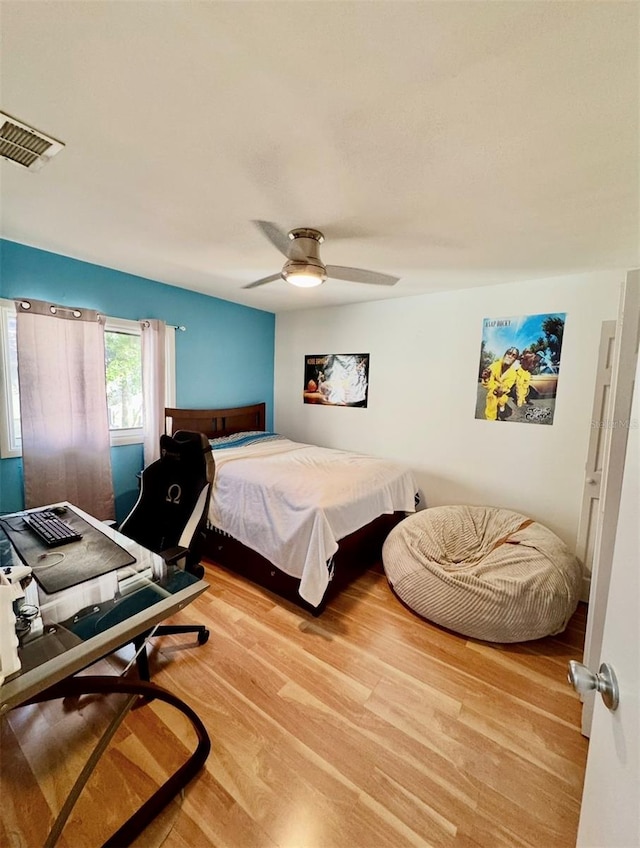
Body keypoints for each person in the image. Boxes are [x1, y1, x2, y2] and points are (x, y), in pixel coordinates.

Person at [481, 347, 520, 421]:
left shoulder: (513, 373)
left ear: (515, 360)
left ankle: (501, 404)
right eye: (509, 353)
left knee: (502, 399)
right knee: (492, 396)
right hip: (494, 390)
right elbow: (487, 383)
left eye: (513, 355)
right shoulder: (494, 366)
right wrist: (486, 379)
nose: (510, 356)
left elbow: (507, 386)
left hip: (503, 392)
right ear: (505, 355)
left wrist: (502, 389)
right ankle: (491, 418)